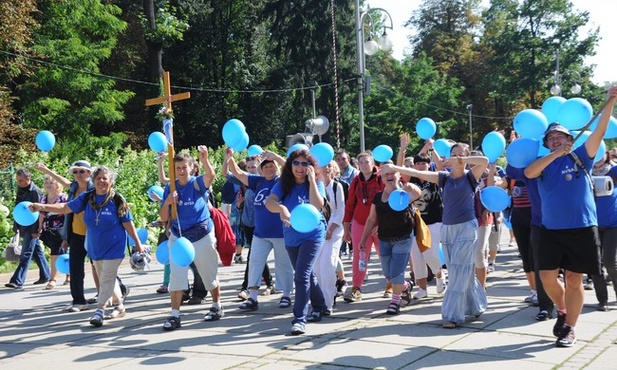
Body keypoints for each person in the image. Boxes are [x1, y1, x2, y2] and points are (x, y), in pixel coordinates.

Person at [524, 86, 617, 347]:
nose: (556, 139)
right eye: (551, 138)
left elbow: (598, 132)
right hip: (551, 230)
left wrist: (610, 101)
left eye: (560, 136)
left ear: (570, 138)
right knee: (547, 277)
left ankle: (570, 328)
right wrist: (555, 154)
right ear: (546, 143)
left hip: (582, 228)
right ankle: (563, 310)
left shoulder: (581, 158)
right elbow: (529, 173)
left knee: (575, 279)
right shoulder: (542, 163)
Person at [386, 143, 489, 328]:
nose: (455, 157)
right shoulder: (444, 178)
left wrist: (462, 160)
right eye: (453, 154)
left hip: (467, 228)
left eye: (460, 154)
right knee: (460, 270)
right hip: (448, 229)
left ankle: (451, 315)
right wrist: (394, 167)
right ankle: (476, 305)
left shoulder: (471, 177)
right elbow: (418, 174)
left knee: (458, 272)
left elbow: (484, 161)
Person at [30, 166, 145, 327]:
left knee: (106, 278)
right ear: (94, 180)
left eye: (105, 178)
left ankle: (99, 311)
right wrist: (41, 207)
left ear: (111, 182)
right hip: (95, 247)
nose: (101, 181)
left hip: (114, 246)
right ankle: (119, 305)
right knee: (107, 278)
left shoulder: (117, 200)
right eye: (99, 178)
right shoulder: (87, 198)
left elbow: (128, 223)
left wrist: (138, 244)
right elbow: (64, 208)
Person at [159, 148, 222, 331]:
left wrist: (205, 159)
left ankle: (217, 305)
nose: (181, 171)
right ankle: (175, 315)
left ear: (192, 168)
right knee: (176, 277)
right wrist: (168, 202)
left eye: (184, 167)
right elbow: (163, 216)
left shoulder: (196, 183)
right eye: (177, 168)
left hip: (201, 233)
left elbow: (210, 176)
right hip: (179, 236)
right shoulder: (170, 187)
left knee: (208, 274)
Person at [266, 149, 327, 335]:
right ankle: (320, 305)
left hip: (313, 234)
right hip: (292, 235)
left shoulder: (316, 182)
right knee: (306, 275)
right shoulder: (283, 184)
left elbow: (319, 205)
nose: (300, 167)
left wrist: (311, 183)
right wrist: (281, 208)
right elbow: (269, 202)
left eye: (304, 164)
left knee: (301, 274)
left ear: (310, 167)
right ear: (290, 165)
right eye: (296, 163)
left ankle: (299, 319)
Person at [223, 150, 292, 310]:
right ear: (261, 169)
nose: (268, 169)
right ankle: (252, 298)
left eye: (271, 166)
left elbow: (290, 167)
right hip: (260, 233)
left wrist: (276, 157)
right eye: (265, 166)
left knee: (283, 264)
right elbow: (238, 173)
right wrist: (230, 158)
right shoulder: (258, 181)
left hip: (280, 232)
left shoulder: (283, 181)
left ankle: (286, 295)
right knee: (254, 262)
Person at [359, 162, 421, 314]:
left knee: (396, 272)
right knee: (388, 273)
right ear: (381, 178)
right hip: (384, 239)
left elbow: (418, 193)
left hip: (403, 238)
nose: (389, 176)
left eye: (392, 173)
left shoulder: (404, 193)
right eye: (386, 174)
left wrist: (411, 187)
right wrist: (363, 239)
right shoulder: (378, 197)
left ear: (398, 175)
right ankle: (405, 286)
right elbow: (371, 219)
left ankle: (395, 300)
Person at [34, 161, 94, 311]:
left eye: (82, 171)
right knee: (75, 269)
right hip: (76, 234)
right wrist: (66, 238)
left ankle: (116, 291)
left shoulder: (95, 188)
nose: (78, 174)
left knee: (101, 267)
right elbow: (63, 183)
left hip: (94, 235)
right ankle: (79, 301)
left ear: (89, 173)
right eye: (75, 172)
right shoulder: (73, 187)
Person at [343, 151, 386, 302]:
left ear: (372, 163)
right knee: (359, 256)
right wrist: (346, 228)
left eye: (366, 162)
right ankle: (356, 288)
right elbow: (349, 205)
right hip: (360, 224)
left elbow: (387, 202)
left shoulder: (381, 178)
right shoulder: (355, 181)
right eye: (361, 163)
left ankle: (392, 283)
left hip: (380, 225)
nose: (364, 165)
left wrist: (382, 224)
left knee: (385, 255)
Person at [407, 153, 447, 299]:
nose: (421, 166)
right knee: (416, 256)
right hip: (416, 222)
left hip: (435, 221)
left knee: (430, 253)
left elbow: (442, 167)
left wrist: (433, 149)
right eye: (418, 163)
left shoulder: (435, 178)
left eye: (424, 163)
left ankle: (439, 276)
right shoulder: (412, 179)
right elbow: (400, 170)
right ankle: (422, 289)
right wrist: (403, 150)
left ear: (429, 164)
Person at [5, 168, 50, 289]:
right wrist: (16, 227)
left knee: (26, 253)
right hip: (23, 226)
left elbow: (39, 212)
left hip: (32, 228)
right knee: (37, 252)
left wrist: (36, 230)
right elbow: (18, 209)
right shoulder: (21, 190)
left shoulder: (35, 192)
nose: (19, 183)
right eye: (18, 180)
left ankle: (17, 281)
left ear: (28, 179)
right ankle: (46, 274)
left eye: (21, 180)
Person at [314, 160, 345, 314]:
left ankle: (328, 302)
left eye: (328, 166)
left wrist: (331, 229)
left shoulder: (336, 186)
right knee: (316, 267)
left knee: (327, 264)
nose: (325, 169)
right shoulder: (313, 186)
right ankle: (319, 299)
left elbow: (340, 211)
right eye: (322, 166)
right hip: (317, 230)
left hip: (334, 230)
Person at [591, 151, 617, 311]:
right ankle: (602, 300)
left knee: (610, 262)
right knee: (595, 265)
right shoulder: (585, 171)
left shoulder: (614, 170)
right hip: (592, 224)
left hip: (613, 224)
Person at [38, 175, 69, 290]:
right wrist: (39, 227)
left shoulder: (63, 198)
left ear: (57, 185)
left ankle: (52, 280)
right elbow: (42, 214)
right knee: (63, 252)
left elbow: (67, 214)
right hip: (48, 230)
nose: (48, 185)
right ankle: (68, 275)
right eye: (46, 183)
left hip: (61, 229)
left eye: (51, 183)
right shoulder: (43, 198)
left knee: (55, 254)